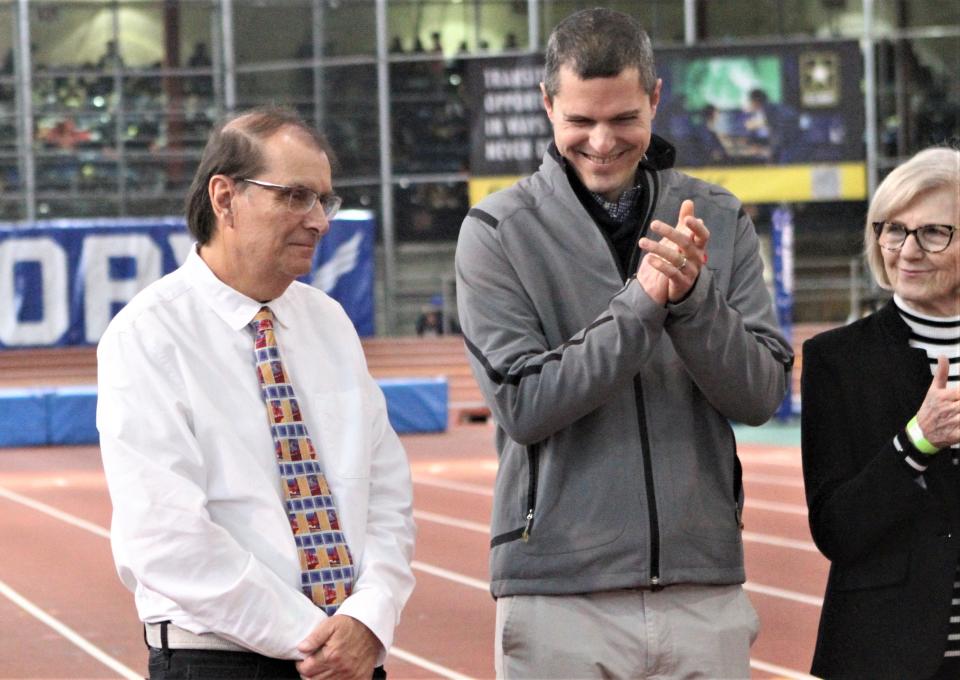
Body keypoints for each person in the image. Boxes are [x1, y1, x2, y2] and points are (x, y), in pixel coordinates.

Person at [455, 8, 793, 679]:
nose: (603, 142)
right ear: (548, 105)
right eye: (581, 121)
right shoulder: (497, 232)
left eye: (624, 119)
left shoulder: (718, 217)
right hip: (557, 593)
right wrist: (642, 305)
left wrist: (695, 300)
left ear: (655, 100)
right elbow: (525, 405)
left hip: (704, 584)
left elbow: (760, 395)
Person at [96, 106, 416, 680]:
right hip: (219, 660)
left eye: (324, 199)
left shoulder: (330, 323)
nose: (318, 219)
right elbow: (167, 539)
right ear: (224, 199)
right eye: (295, 196)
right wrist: (315, 639)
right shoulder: (148, 335)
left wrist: (369, 618)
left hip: (347, 654)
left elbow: (387, 492)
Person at [801, 146, 960, 680]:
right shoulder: (837, 360)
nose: (907, 250)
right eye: (893, 230)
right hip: (885, 655)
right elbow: (836, 530)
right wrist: (917, 442)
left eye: (934, 232)